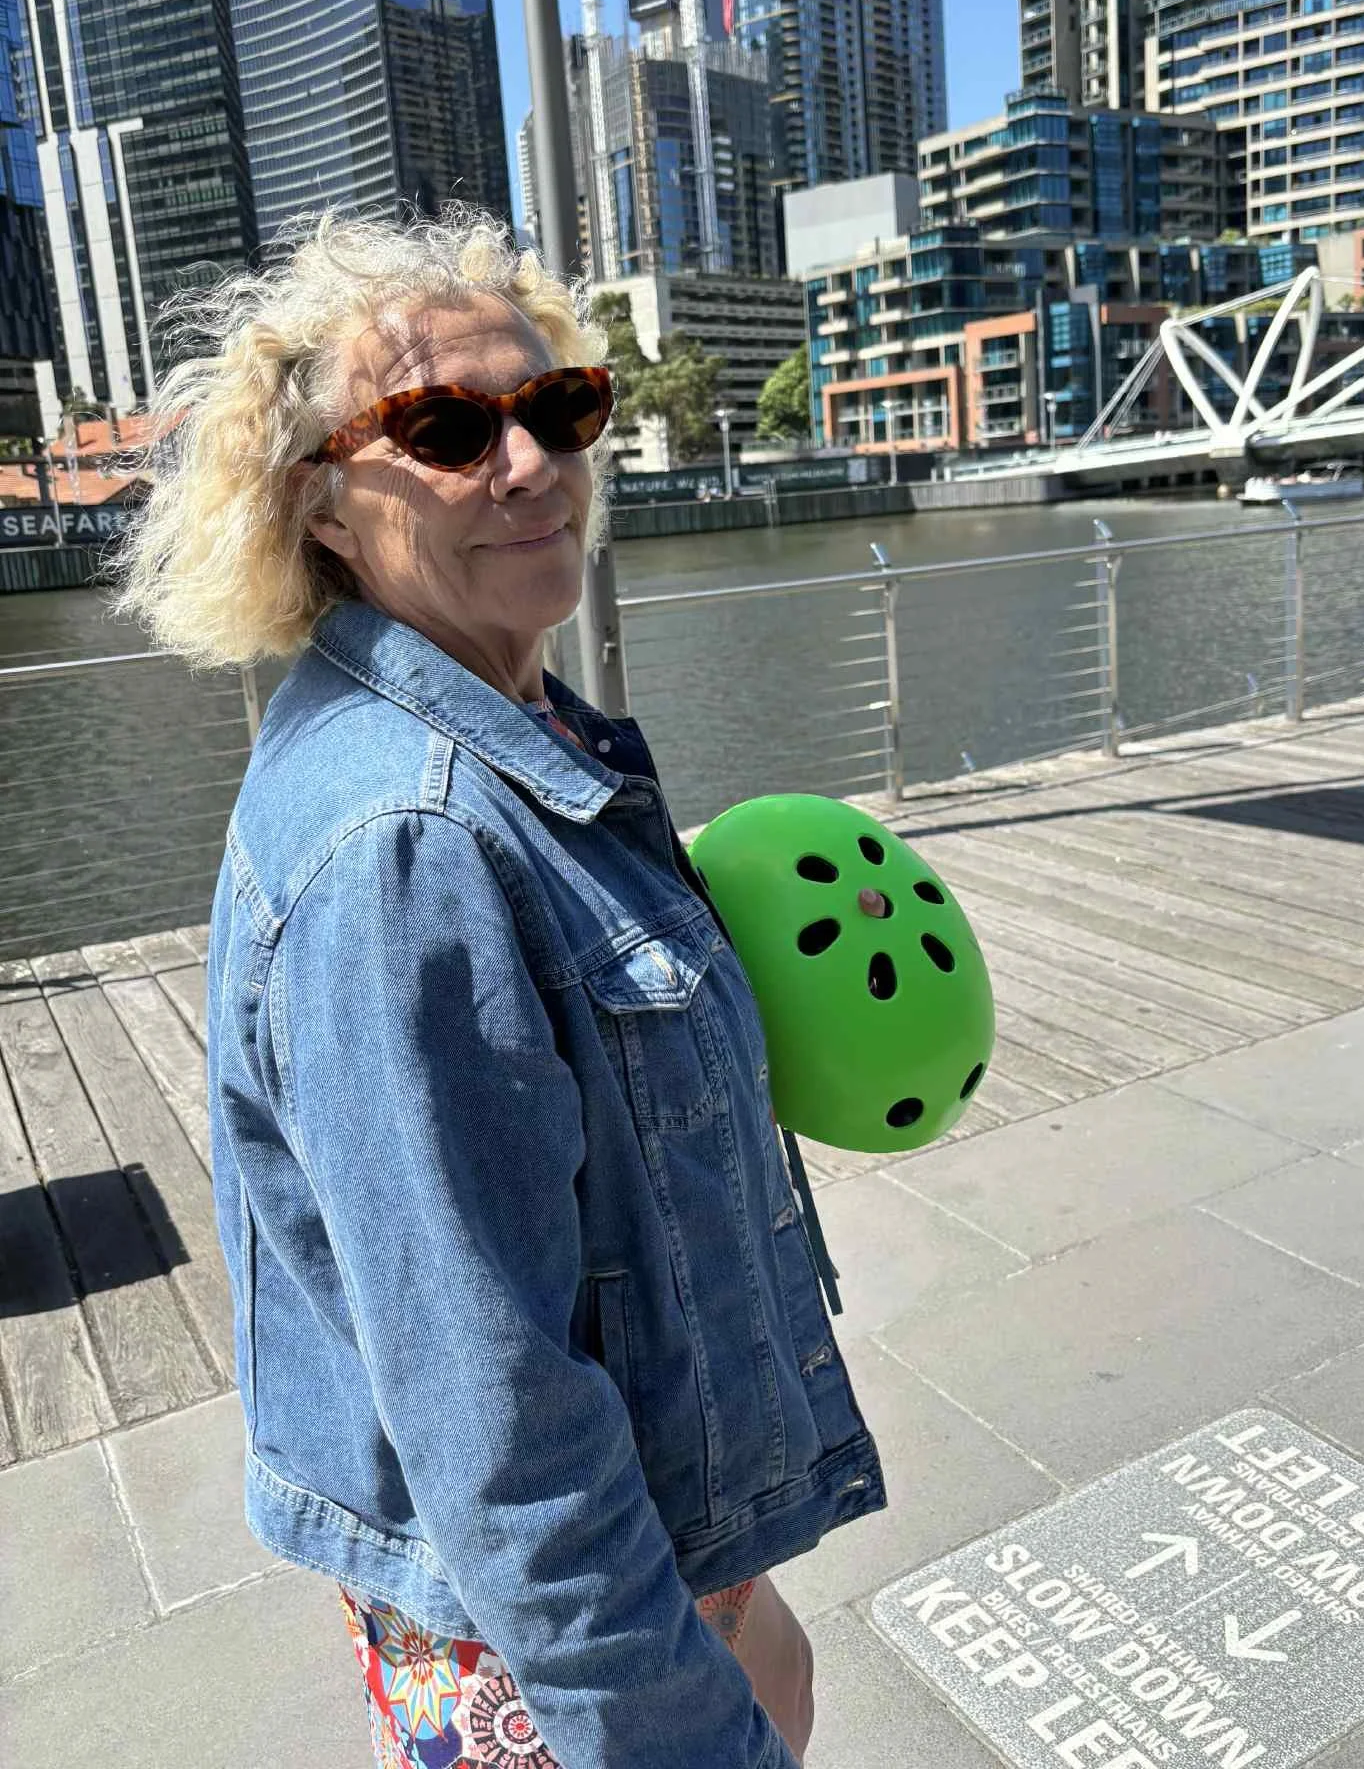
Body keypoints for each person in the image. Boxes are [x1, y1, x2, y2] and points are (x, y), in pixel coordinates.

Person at [115, 207, 885, 1768]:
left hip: (659, 1540)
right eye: (449, 430)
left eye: (557, 408)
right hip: (544, 1639)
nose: (527, 462)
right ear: (322, 504)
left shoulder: (513, 736)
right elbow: (496, 1413)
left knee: (785, 1675)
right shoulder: (405, 849)